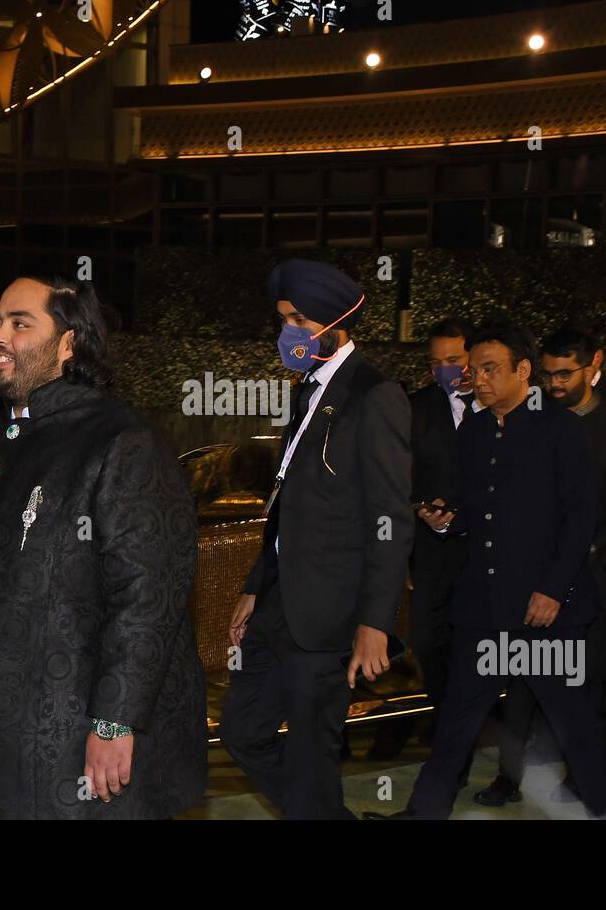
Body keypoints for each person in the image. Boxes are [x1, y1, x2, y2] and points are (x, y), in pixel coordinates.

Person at [0, 277, 206, 819]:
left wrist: (115, 720)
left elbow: (149, 592)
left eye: (20, 323)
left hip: (61, 739)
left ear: (69, 343)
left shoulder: (121, 438)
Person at [221, 259, 413, 819]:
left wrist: (375, 623)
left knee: (310, 754)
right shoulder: (306, 391)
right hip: (277, 604)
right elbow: (286, 505)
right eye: (283, 320)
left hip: (330, 615)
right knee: (243, 732)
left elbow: (391, 519)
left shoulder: (375, 396)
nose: (289, 333)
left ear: (335, 321)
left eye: (299, 321)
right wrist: (257, 584)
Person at [397, 323, 606, 819]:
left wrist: (553, 590)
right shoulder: (473, 430)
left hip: (545, 613)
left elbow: (579, 519)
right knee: (454, 723)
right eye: (474, 369)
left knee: (574, 727)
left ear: (523, 370)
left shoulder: (562, 429)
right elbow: (478, 509)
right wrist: (447, 522)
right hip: (484, 607)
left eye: (491, 369)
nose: (478, 378)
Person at [479, 328, 606, 807]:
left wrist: (591, 547)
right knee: (524, 675)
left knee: (592, 679)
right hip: (534, 574)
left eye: (565, 374)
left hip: (599, 573)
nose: (554, 383)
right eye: (547, 373)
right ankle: (508, 777)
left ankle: (584, 778)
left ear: (593, 364)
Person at [407, 317, 476, 736]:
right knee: (430, 644)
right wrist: (420, 509)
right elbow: (396, 481)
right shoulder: (414, 409)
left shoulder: (508, 406)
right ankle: (448, 726)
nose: (446, 370)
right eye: (436, 363)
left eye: (454, 359)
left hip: (489, 553)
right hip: (432, 554)